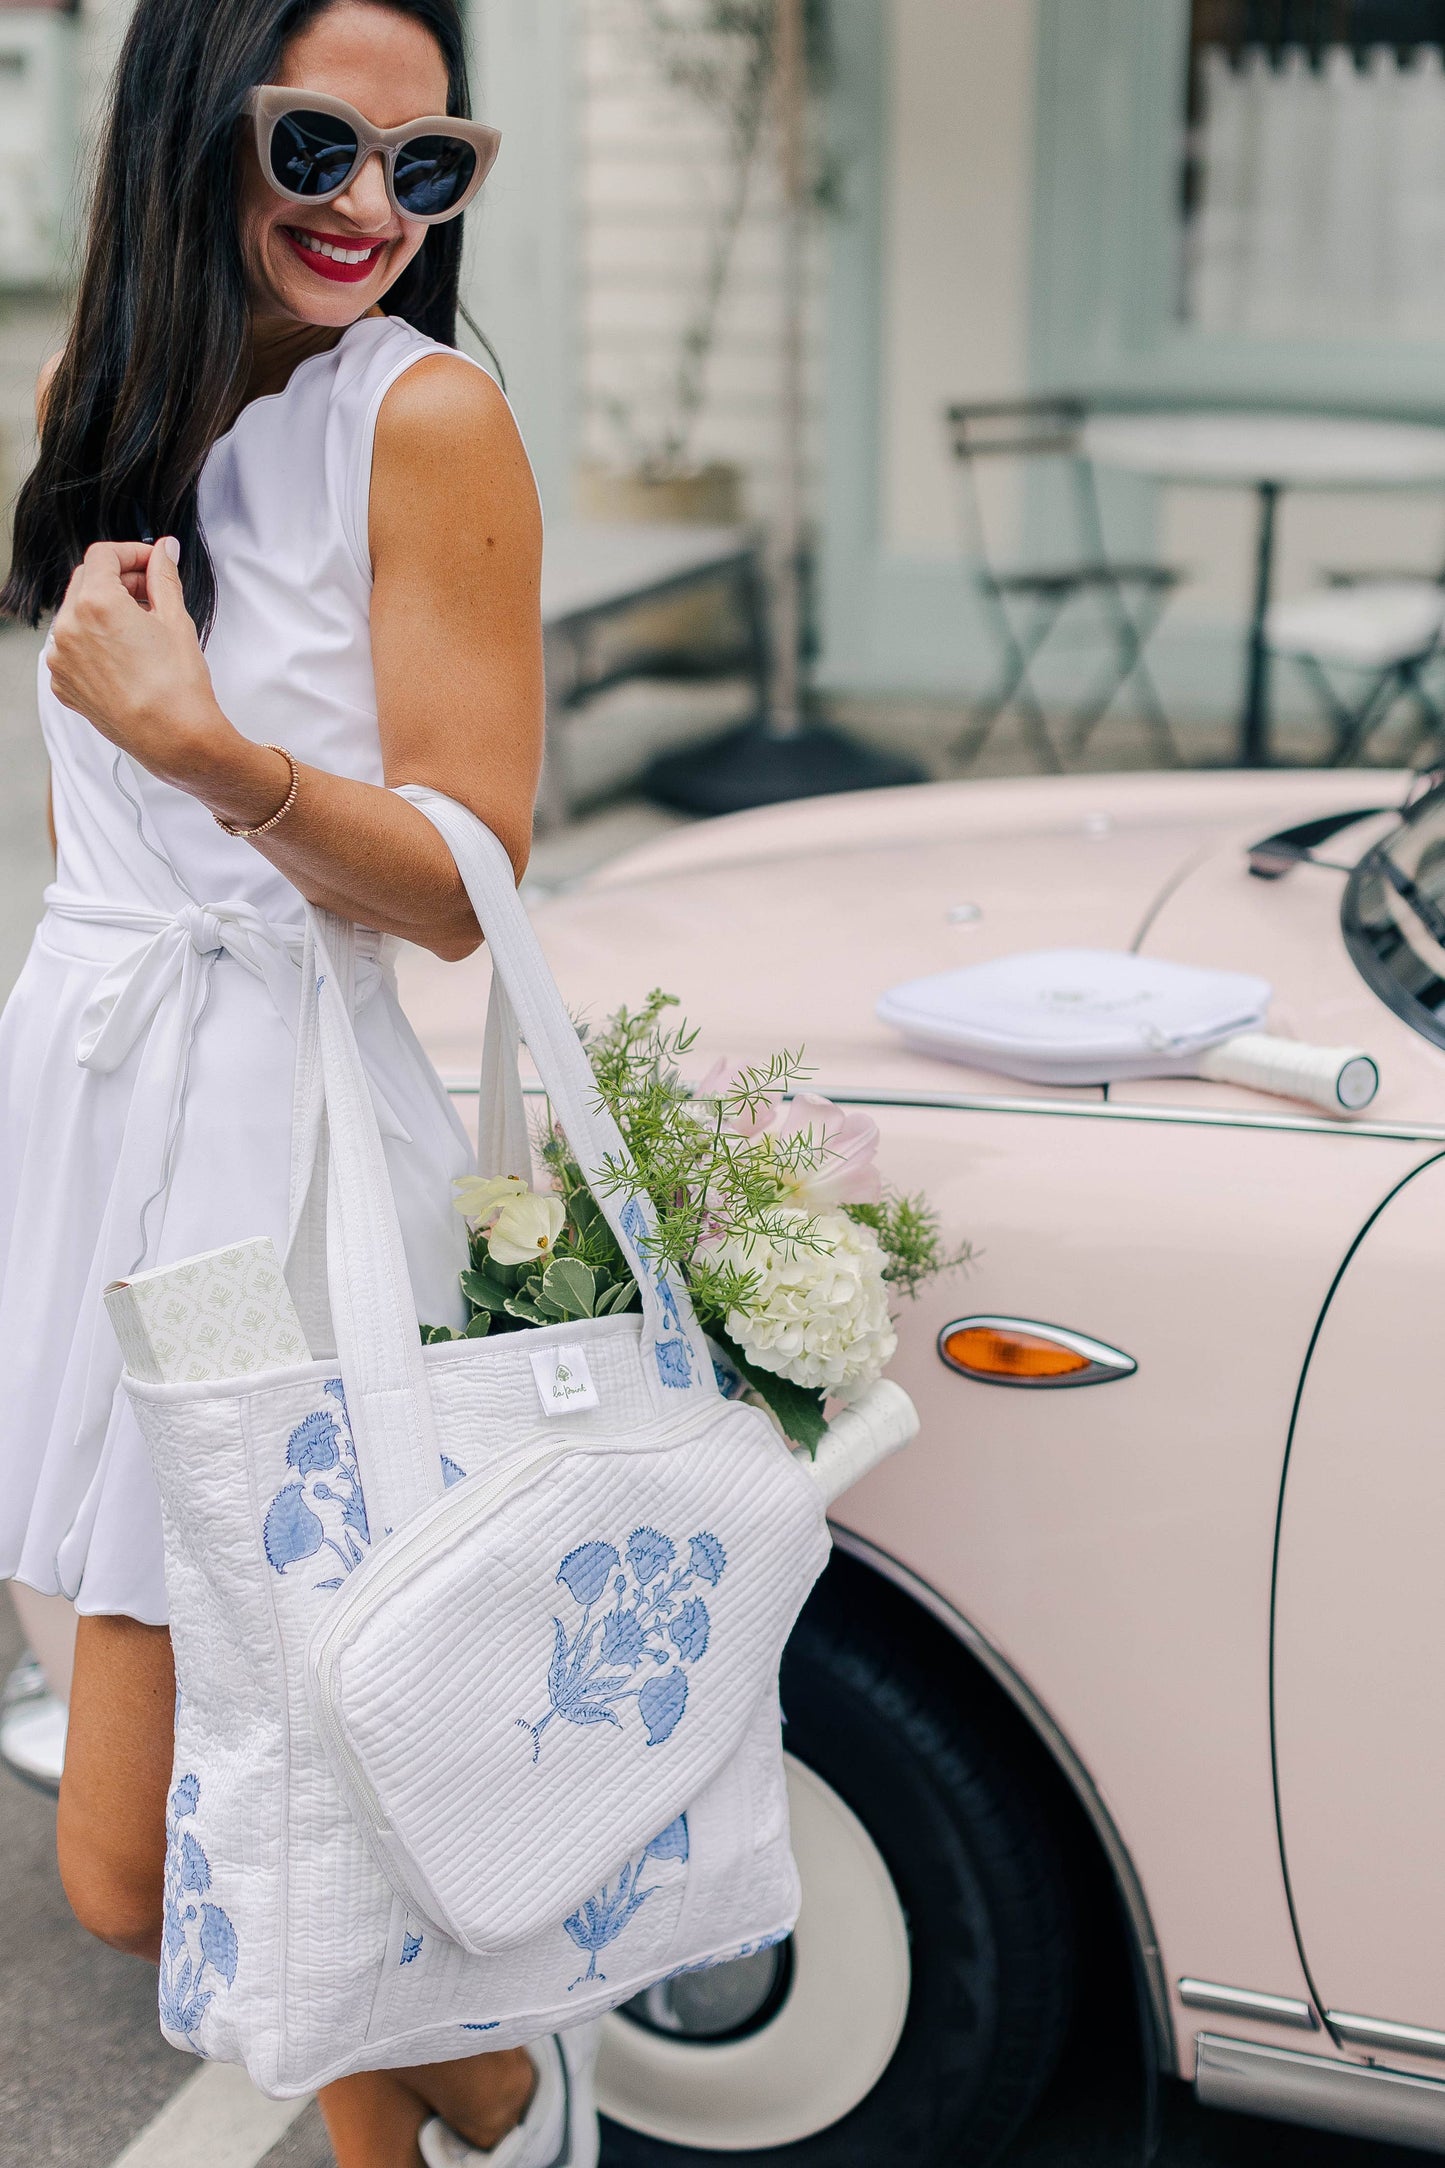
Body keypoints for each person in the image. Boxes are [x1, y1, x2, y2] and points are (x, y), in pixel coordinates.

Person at [0, 2, 578, 2161]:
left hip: (279, 1168)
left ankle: (512, 2071)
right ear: (192, 120)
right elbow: (94, 837)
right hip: (99, 1122)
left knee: (148, 1867)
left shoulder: (420, 422)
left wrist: (216, 758)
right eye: (321, 144)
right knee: (296, 1841)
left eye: (428, 169)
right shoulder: (106, 399)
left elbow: (467, 886)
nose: (369, 210)